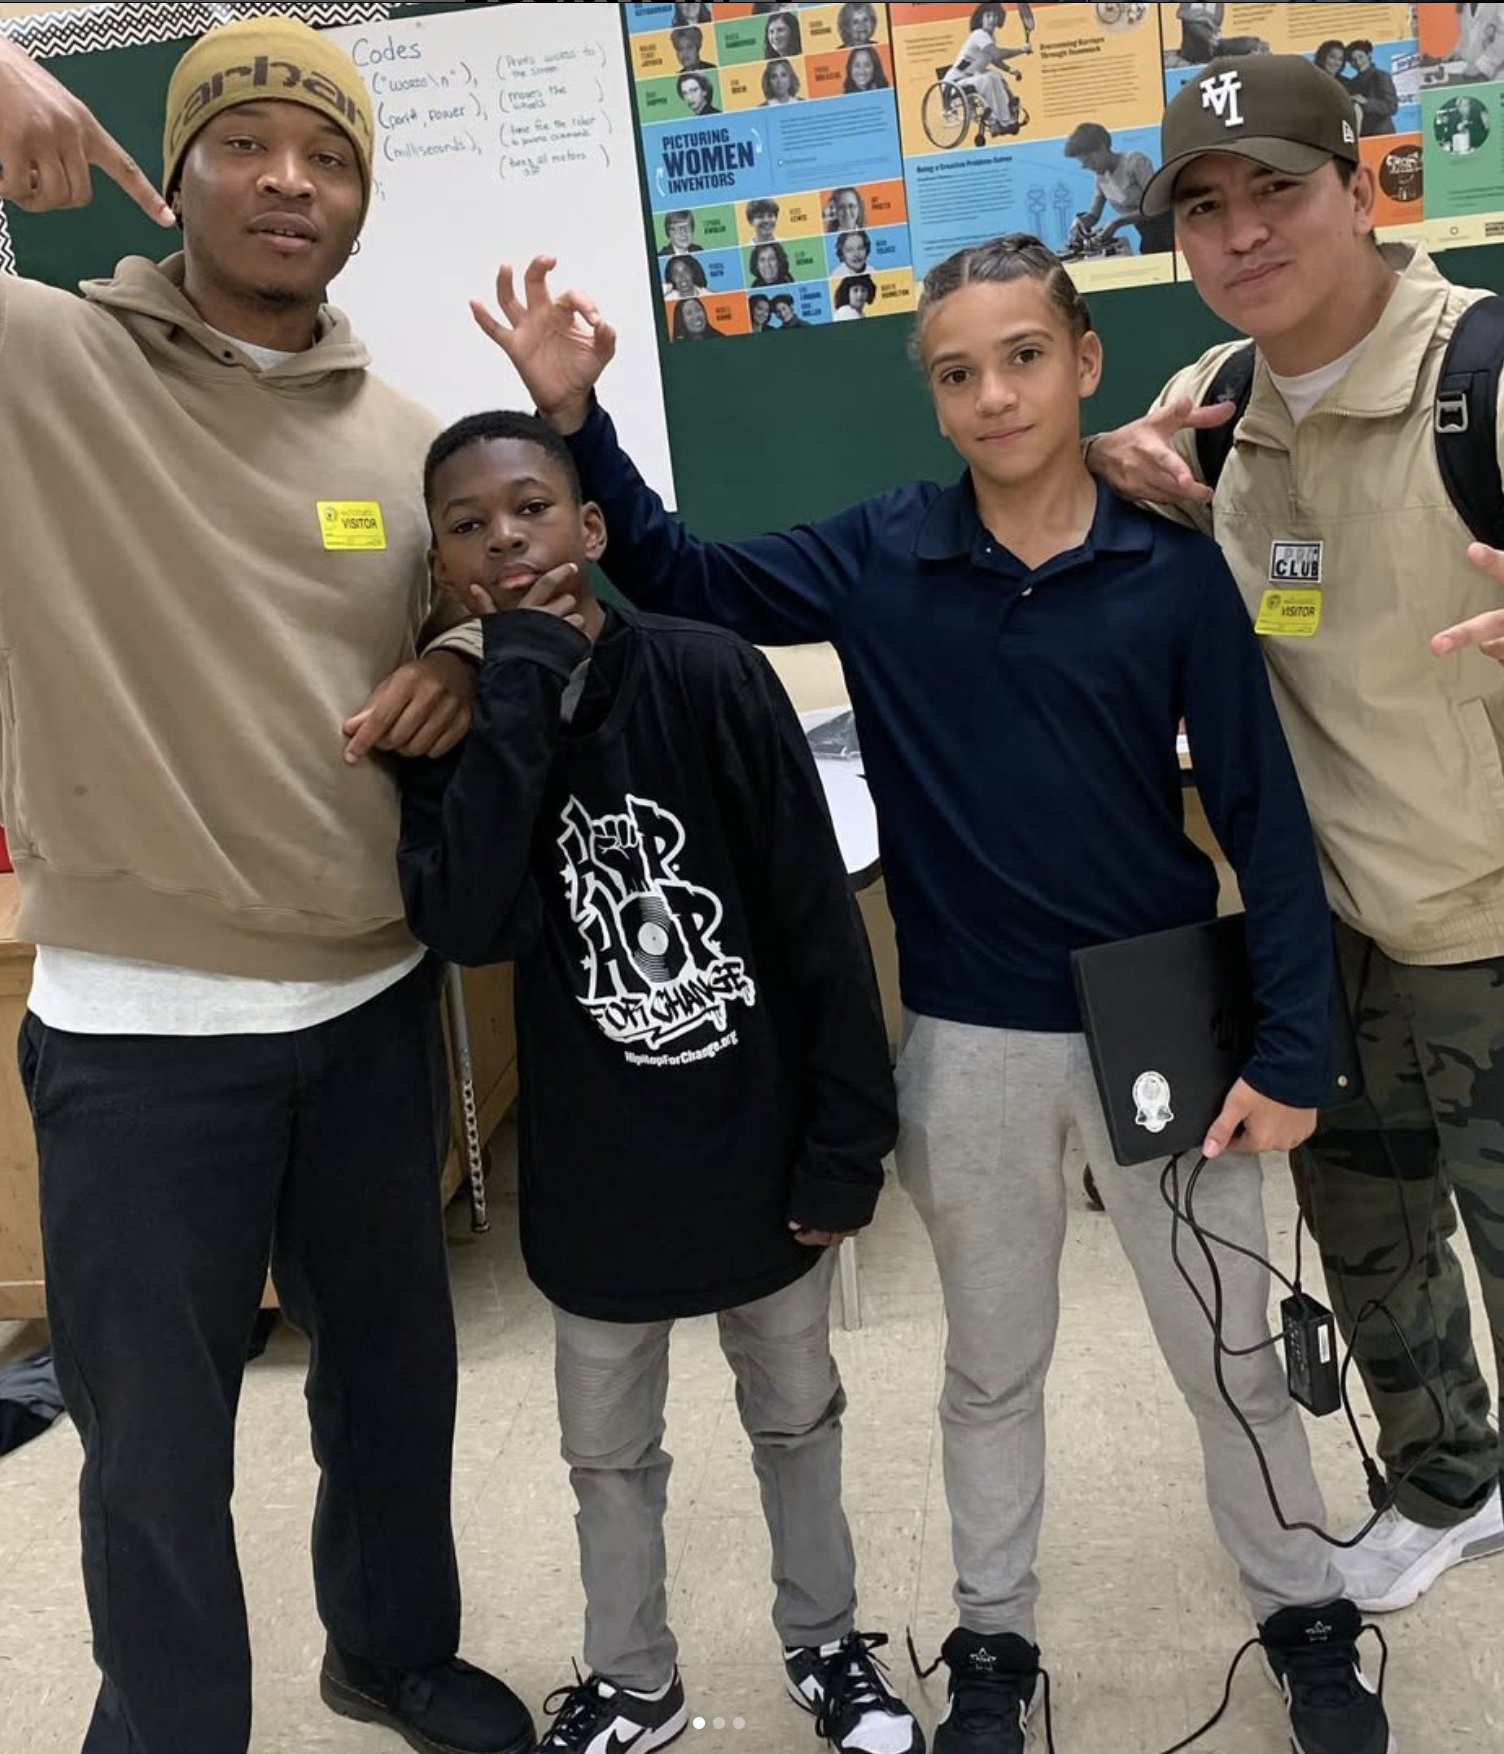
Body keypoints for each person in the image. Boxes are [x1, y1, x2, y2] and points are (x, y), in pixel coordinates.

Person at [472, 244, 1395, 1754]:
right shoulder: (882, 553)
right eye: (958, 372)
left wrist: (1294, 1045)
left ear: (1086, 362)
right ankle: (992, 1637)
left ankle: (1304, 1612)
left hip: (1164, 1019)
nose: (992, 394)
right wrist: (579, 424)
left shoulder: (1170, 567)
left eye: (1023, 358)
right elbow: (685, 574)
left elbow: (1261, 812)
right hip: (968, 1036)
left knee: (1228, 1349)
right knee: (990, 1360)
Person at [0, 14, 535, 1754]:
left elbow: (501, 597)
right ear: (175, 169)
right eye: (245, 141)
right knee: (153, 1439)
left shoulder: (409, 434)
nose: (290, 177)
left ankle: (392, 1647)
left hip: (369, 1002)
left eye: (331, 153)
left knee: (391, 1388)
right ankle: (171, 1722)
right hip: (140, 1036)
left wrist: (455, 638)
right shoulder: (18, 359)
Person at [397, 410, 924, 1754]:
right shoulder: (455, 720)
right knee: (606, 1452)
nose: (505, 536)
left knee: (797, 1414)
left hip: (756, 1146)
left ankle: (827, 1644)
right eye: (469, 524)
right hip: (598, 1171)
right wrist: (512, 692)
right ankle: (635, 1676)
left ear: (590, 528)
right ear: (449, 566)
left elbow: (819, 928)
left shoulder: (708, 676)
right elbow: (467, 923)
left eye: (530, 507)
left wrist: (846, 1146)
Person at [1088, 50, 1504, 1621]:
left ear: (1362, 182)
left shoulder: (1486, 370)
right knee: (1370, 1224)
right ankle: (1448, 1480)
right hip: (1319, 920)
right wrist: (1149, 490)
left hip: (1485, 905)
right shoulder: (1221, 398)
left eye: (1278, 189)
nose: (1244, 234)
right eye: (1205, 207)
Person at [1063, 122, 1173, 254]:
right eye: (1084, 164)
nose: (1088, 167)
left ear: (1102, 147)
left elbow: (1156, 206)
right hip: (1147, 233)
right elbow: (1094, 216)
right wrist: (1080, 222)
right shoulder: (1101, 178)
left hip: (1170, 230)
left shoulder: (1135, 162)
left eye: (1089, 160)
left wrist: (1117, 222)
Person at [944, 5, 1031, 141]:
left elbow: (993, 58)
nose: (992, 19)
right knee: (988, 79)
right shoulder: (979, 35)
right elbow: (996, 53)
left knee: (995, 76)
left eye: (995, 16)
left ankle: (1006, 121)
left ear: (999, 19)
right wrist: (1021, 50)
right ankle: (993, 122)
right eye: (988, 16)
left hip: (972, 78)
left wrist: (1009, 69)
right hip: (954, 83)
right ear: (981, 19)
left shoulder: (990, 39)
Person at [1176, 3, 1268, 62]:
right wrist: (1204, 15)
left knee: (1224, 44)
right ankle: (1215, 41)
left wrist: (1196, 15)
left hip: (1208, 48)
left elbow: (1217, 20)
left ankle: (1252, 43)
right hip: (1191, 49)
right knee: (1191, 23)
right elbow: (1180, 14)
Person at [1346, 40, 1399, 136]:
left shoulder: (1382, 76)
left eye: (1361, 57)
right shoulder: (1351, 83)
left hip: (1382, 135)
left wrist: (1366, 101)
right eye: (1353, 59)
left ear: (1369, 55)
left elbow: (1392, 107)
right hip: (1362, 136)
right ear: (1350, 63)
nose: (1358, 62)